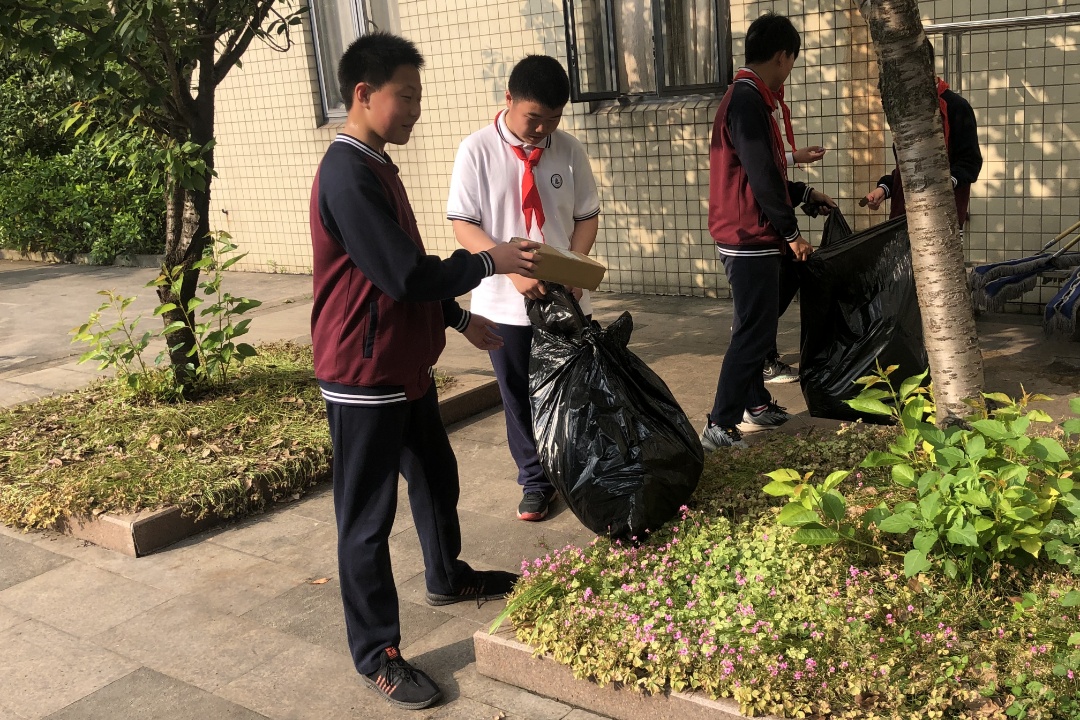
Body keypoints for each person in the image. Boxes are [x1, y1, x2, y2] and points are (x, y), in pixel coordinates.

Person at [309, 32, 542, 710]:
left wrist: (458, 319)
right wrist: (490, 261)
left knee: (436, 476)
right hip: (363, 372)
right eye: (404, 97)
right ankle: (376, 653)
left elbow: (403, 268)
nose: (414, 110)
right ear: (363, 94)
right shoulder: (348, 173)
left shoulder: (377, 164)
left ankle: (447, 576)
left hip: (402, 364)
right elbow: (404, 274)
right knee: (366, 519)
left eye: (418, 97)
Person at [447, 55, 600, 521]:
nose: (541, 130)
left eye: (553, 120)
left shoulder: (568, 150)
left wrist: (573, 270)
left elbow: (586, 217)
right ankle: (535, 481)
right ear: (509, 98)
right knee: (517, 395)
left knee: (574, 388)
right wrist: (509, 269)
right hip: (501, 300)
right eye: (534, 118)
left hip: (563, 298)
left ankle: (578, 468)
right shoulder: (476, 150)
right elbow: (464, 224)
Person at [702, 12, 836, 451]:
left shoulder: (751, 98)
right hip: (748, 236)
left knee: (757, 324)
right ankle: (720, 423)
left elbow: (766, 172)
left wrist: (805, 193)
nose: (790, 70)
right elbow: (761, 177)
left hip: (749, 231)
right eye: (792, 61)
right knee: (753, 330)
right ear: (782, 56)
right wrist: (792, 233)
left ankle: (755, 403)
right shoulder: (746, 101)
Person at [863, 40, 982, 229]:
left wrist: (942, 184)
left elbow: (970, 162)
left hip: (942, 221)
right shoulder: (907, 109)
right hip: (904, 218)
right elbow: (906, 170)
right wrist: (884, 189)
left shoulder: (956, 107)